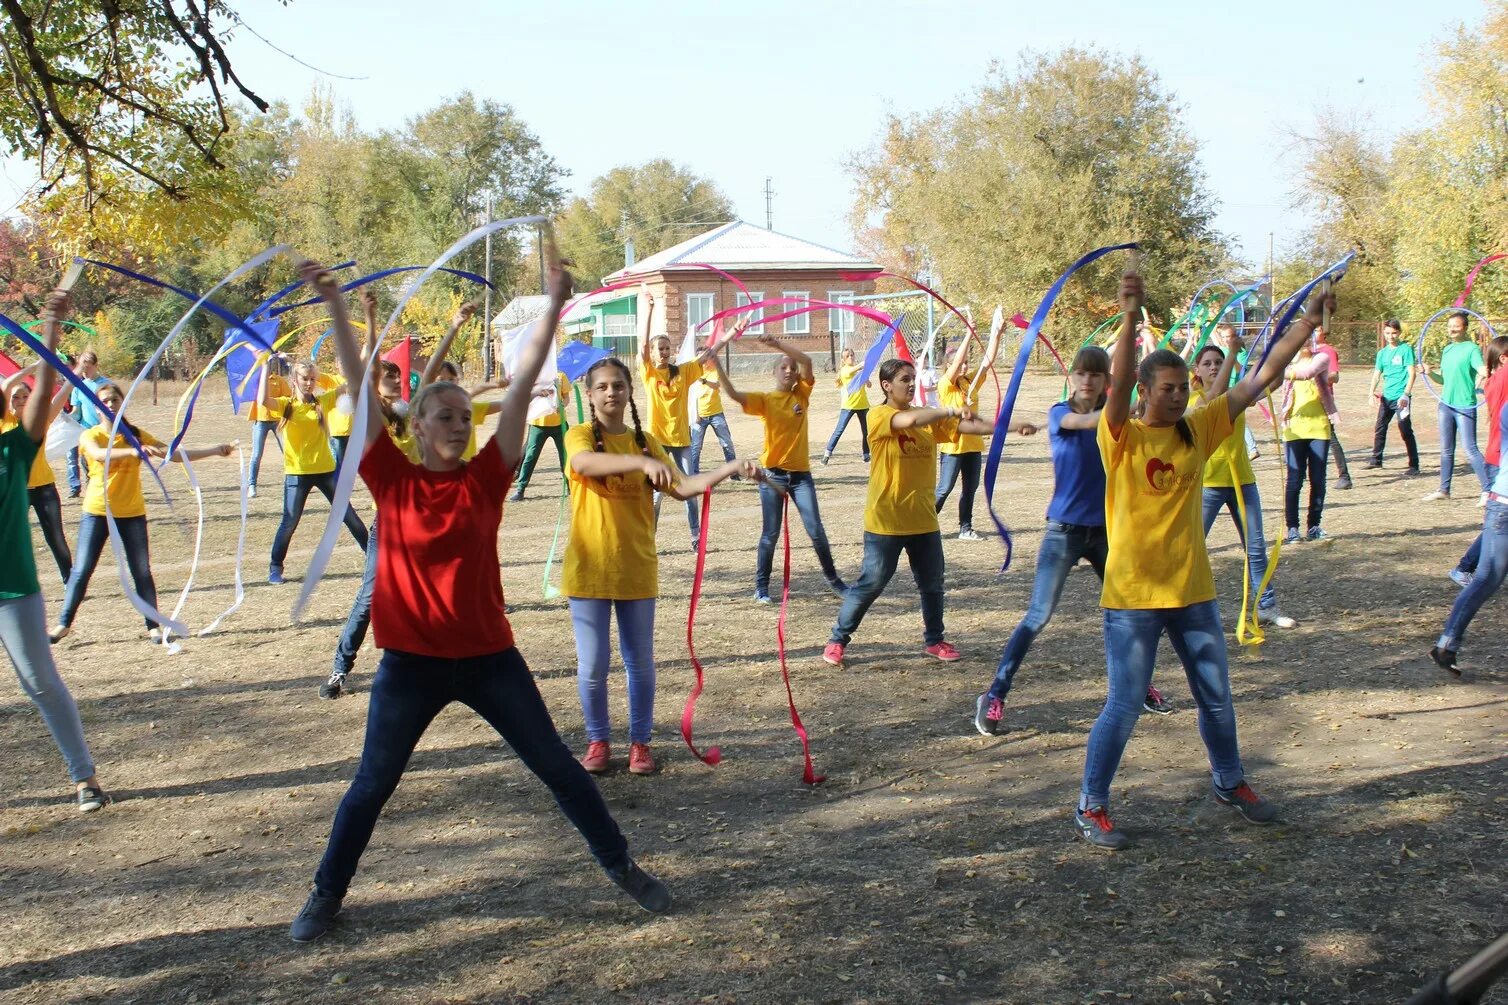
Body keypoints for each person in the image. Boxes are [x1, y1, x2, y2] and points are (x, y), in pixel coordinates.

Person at [289, 252, 672, 946]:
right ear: (416, 427)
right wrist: (338, 306)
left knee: (558, 766)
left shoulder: (488, 478)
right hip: (409, 665)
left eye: (466, 415)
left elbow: (524, 385)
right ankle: (325, 894)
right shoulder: (389, 475)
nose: (459, 424)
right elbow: (354, 379)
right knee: (372, 785)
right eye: (444, 416)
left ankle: (622, 866)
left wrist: (555, 304)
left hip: (491, 659)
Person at [1071, 269, 1329, 851]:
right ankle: (1091, 803)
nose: (1181, 394)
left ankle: (1229, 781)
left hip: (1193, 594)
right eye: (1168, 388)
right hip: (1134, 599)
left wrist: (1308, 321)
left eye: (1184, 386)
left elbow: (1261, 378)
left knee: (1216, 696)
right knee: (1124, 705)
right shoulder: (1121, 436)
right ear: (1143, 392)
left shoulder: (1199, 429)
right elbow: (1112, 389)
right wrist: (1131, 316)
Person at [565, 357, 753, 776]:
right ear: (590, 394)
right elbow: (583, 465)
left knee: (640, 662)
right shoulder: (579, 435)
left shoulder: (647, 442)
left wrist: (731, 467)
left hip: (636, 568)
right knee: (593, 666)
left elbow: (683, 487)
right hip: (589, 570)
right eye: (603, 387)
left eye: (619, 385)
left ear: (631, 390)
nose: (612, 393)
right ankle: (598, 742)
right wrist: (637, 464)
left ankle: (640, 743)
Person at [972, 347, 1171, 736]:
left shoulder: (1117, 416)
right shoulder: (1059, 414)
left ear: (1105, 382)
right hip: (1063, 531)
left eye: (1096, 375)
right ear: (1072, 377)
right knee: (1038, 615)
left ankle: (1138, 686)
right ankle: (995, 693)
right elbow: (1094, 422)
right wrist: (1121, 409)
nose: (1087, 380)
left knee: (1131, 613)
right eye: (1081, 373)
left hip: (1106, 533)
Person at [1, 291, 107, 811]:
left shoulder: (14, 449)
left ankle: (84, 778)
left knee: (41, 683)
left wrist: (51, 325)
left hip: (12, 588)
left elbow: (44, 392)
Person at [821, 358, 995, 668]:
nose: (911, 383)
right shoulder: (879, 415)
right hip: (887, 520)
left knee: (932, 583)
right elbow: (907, 423)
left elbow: (964, 427)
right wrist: (949, 409)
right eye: (905, 379)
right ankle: (837, 640)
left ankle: (935, 640)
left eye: (913, 378)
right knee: (871, 584)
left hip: (923, 519)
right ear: (887, 386)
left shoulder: (925, 416)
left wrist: (1002, 425)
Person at [49, 383, 233, 643]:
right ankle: (63, 624)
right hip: (98, 511)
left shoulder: (135, 434)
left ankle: (153, 626)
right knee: (82, 570)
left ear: (122, 403)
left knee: (142, 571)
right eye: (105, 401)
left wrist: (215, 450)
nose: (110, 405)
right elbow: (99, 455)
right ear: (95, 406)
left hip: (132, 513)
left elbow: (173, 454)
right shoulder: (90, 435)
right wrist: (134, 451)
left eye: (115, 400)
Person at [710, 334, 846, 602]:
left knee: (815, 530)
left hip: (801, 477)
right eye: (783, 367)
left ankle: (835, 581)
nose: (789, 370)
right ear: (774, 372)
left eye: (791, 368)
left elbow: (806, 360)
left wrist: (778, 345)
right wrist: (717, 365)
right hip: (772, 476)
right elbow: (734, 394)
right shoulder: (766, 400)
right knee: (769, 534)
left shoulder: (802, 395)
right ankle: (761, 587)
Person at [1191, 340, 1296, 629]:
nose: (1213, 367)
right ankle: (1173, 611)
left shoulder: (1236, 397)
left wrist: (1282, 352)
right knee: (1192, 547)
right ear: (1196, 370)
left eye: (1218, 362)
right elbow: (1211, 400)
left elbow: (1272, 382)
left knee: (1255, 547)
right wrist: (1232, 357)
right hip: (1208, 485)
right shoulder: (1194, 400)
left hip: (1243, 482)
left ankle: (1267, 605)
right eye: (1208, 363)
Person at [260, 361, 370, 584]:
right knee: (289, 522)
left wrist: (359, 362)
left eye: (312, 379)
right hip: (297, 473)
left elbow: (350, 384)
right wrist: (263, 367)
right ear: (295, 380)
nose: (309, 383)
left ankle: (373, 557)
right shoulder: (286, 405)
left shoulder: (323, 401)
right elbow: (263, 400)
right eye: (304, 379)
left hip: (326, 471)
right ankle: (275, 568)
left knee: (348, 515)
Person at [1432, 392, 1508, 675]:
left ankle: (1446, 645)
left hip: (1501, 505)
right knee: (1487, 578)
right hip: (1504, 508)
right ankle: (1446, 645)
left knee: (1486, 578)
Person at [638, 292, 703, 546]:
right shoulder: (649, 373)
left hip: (682, 439)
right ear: (653, 353)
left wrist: (730, 334)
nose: (664, 353)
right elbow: (642, 345)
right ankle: (649, 538)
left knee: (689, 489)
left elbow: (707, 356)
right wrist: (650, 310)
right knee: (656, 494)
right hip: (657, 442)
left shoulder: (683, 372)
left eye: (667, 348)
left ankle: (695, 535)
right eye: (660, 349)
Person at [935, 313, 1006, 540]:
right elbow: (955, 365)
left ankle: (965, 528)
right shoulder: (946, 384)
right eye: (960, 363)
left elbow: (987, 362)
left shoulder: (969, 382)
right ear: (949, 366)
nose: (964, 366)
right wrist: (968, 334)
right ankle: (920, 525)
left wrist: (997, 335)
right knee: (944, 489)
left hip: (973, 444)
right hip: (953, 447)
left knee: (970, 488)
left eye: (966, 363)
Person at [2, 363, 73, 584]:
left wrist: (74, 376)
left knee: (56, 538)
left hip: (45, 490)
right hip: (15, 493)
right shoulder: (4, 421)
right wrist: (34, 366)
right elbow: (7, 385)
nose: (21, 400)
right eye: (16, 397)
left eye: (25, 396)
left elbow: (57, 401)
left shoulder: (38, 423)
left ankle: (70, 582)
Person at [1449, 335, 1508, 588]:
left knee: (1500, 525)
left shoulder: (1493, 381)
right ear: (1504, 359)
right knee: (1499, 525)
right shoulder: (1502, 378)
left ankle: (1469, 568)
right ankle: (1465, 567)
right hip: (1500, 459)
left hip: (1497, 457)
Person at [1423, 312, 1489, 504]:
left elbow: (1481, 369)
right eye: (1449, 325)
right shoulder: (1447, 350)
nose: (1452, 329)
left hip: (1464, 405)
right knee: (1446, 450)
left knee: (1470, 448)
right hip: (1446, 405)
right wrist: (1430, 373)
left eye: (1456, 326)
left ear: (1465, 328)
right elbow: (1444, 380)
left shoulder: (1471, 349)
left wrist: (1487, 372)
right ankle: (1444, 490)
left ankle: (1488, 489)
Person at [1280, 342, 1333, 544]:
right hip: (1293, 429)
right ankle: (1292, 528)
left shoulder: (1321, 359)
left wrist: (1273, 370)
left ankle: (1314, 526)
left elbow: (1307, 373)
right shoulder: (1285, 364)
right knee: (1294, 480)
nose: (1301, 343)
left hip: (1319, 428)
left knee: (1318, 479)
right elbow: (1266, 386)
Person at [1366, 319, 1420, 474]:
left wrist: (1406, 394)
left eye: (1394, 333)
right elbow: (1377, 374)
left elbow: (1412, 373)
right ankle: (1376, 460)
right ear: (1384, 333)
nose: (1391, 336)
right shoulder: (1382, 353)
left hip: (1401, 398)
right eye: (1388, 333)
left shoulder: (1405, 349)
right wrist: (1371, 393)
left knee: (1405, 429)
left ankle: (1414, 464)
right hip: (1387, 397)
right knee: (1380, 427)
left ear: (1399, 333)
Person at [510, 372, 570, 501]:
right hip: (538, 424)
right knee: (531, 455)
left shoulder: (560, 376)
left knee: (565, 456)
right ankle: (520, 489)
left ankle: (571, 488)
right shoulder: (535, 375)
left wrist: (562, 405)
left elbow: (566, 398)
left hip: (559, 424)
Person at [1310, 325, 1352, 489]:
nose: (1315, 333)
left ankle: (1344, 476)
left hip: (1322, 401)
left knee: (1331, 438)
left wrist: (1315, 375)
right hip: (1307, 401)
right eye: (1312, 330)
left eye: (1318, 330)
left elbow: (1334, 376)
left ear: (1324, 332)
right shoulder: (1307, 351)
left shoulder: (1328, 351)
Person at [63, 349, 109, 498]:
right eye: (83, 367)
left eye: (88, 367)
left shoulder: (107, 385)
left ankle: (103, 491)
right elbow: (77, 412)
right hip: (86, 433)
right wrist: (65, 417)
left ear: (96, 365)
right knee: (86, 463)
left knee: (103, 463)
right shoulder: (78, 387)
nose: (85, 371)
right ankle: (93, 491)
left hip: (104, 432)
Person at [246, 356, 290, 499]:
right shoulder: (257, 380)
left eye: (273, 363)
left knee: (288, 452)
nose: (271, 366)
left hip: (278, 421)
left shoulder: (279, 380)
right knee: (257, 454)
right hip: (261, 420)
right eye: (269, 363)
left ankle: (291, 482)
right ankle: (252, 485)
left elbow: (288, 397)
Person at [821, 347, 871, 465]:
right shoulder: (844, 370)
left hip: (863, 405)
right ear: (843, 360)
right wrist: (864, 364)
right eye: (847, 356)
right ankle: (827, 454)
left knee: (866, 432)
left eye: (852, 355)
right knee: (839, 430)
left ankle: (866, 455)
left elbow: (869, 385)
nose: (851, 357)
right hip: (848, 405)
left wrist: (866, 379)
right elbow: (851, 371)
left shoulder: (859, 372)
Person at [688, 366, 736, 475]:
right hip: (700, 416)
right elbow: (691, 396)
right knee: (696, 446)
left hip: (716, 414)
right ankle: (694, 473)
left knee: (726, 443)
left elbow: (716, 385)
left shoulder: (715, 371)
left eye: (705, 357)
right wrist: (695, 414)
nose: (703, 361)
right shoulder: (693, 373)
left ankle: (733, 472)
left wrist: (703, 380)